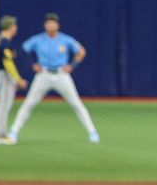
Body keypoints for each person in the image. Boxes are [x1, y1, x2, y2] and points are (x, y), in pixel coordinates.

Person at [7, 13, 99, 144]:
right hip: (43, 74)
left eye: (54, 23)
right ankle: (13, 132)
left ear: (58, 25)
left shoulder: (65, 40)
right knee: (29, 103)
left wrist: (72, 66)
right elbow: (22, 50)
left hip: (61, 74)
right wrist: (32, 64)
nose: (51, 25)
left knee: (76, 103)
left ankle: (92, 132)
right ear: (45, 25)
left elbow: (81, 51)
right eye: (49, 22)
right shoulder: (38, 39)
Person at [0, 15, 28, 145]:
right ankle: (1, 134)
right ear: (11, 27)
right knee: (4, 105)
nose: (15, 27)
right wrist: (17, 79)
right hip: (6, 76)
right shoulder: (5, 42)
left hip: (2, 75)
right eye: (14, 25)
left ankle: (0, 132)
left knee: (3, 104)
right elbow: (8, 62)